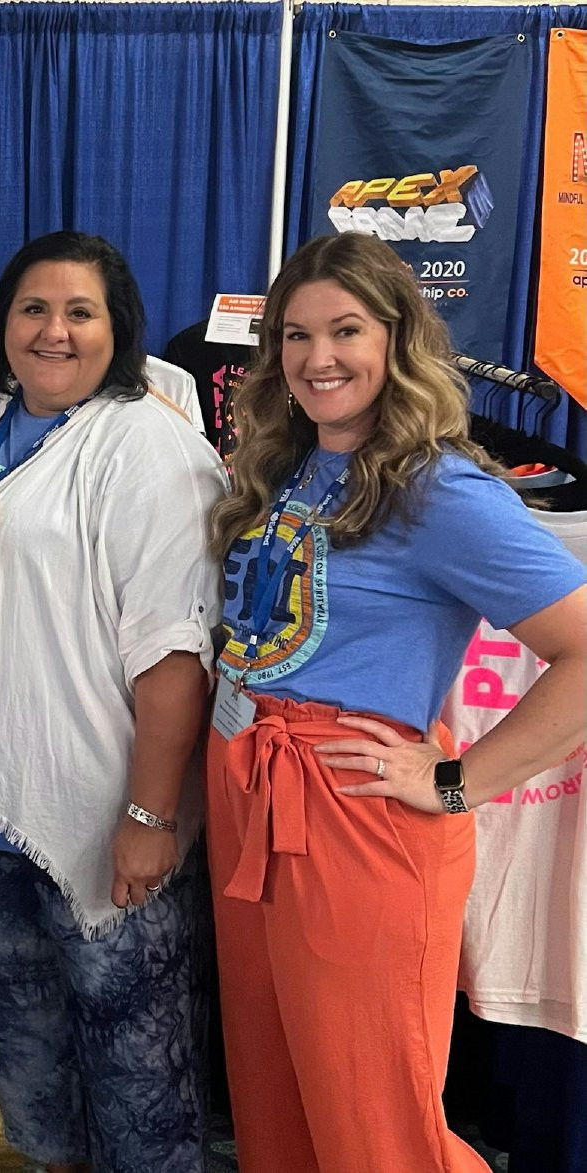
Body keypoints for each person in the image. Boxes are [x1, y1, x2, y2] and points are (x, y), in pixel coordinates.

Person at [205, 231, 587, 1173]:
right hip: (251, 794)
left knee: (377, 1123)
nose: (317, 358)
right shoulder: (286, 462)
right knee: (275, 1099)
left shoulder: (441, 486)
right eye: (296, 335)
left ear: (397, 338)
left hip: (356, 813)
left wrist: (459, 782)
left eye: (345, 331)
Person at [0, 231, 224, 1173]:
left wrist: (150, 812)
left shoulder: (154, 446)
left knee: (133, 1056)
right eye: (34, 308)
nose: (55, 330)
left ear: (120, 329)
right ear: (4, 322)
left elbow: (174, 655)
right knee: (24, 1037)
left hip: (96, 804)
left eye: (81, 311)